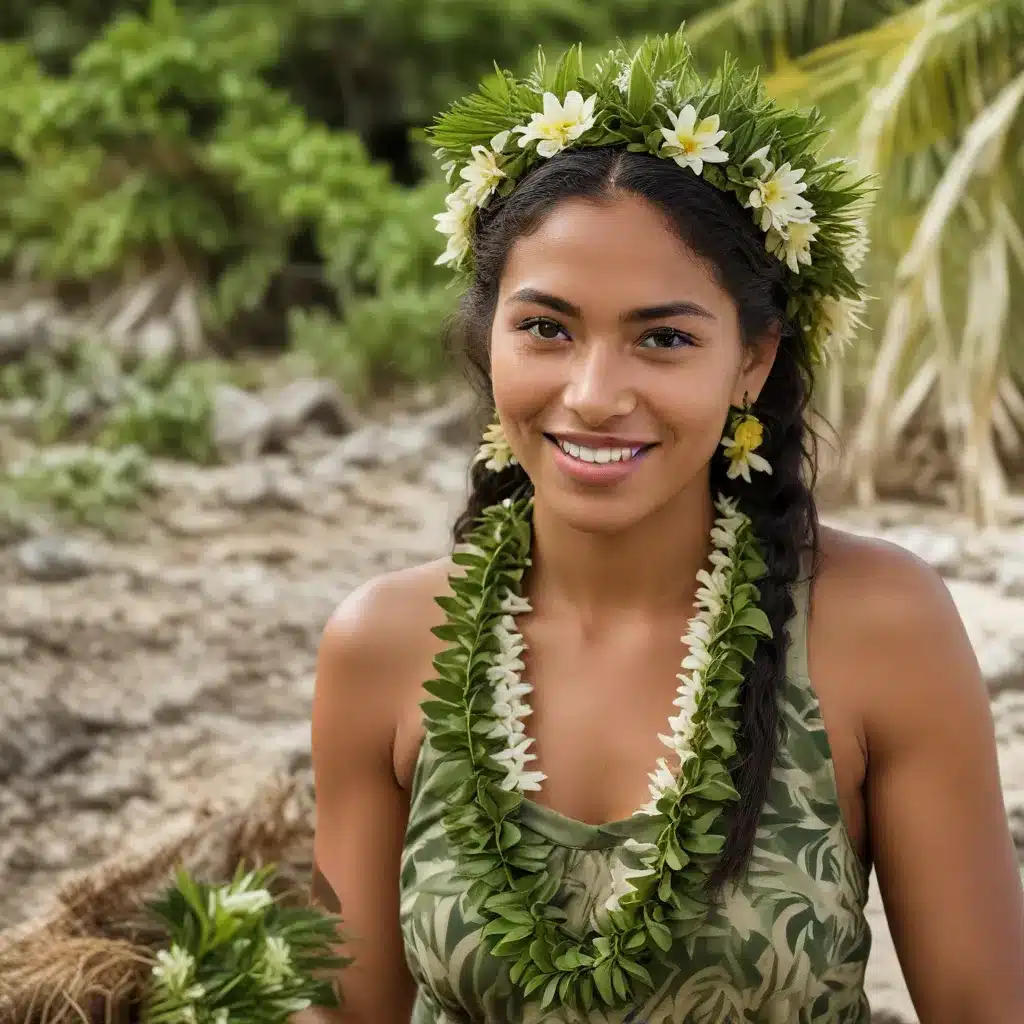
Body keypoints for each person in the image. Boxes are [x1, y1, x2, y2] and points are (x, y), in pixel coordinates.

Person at [307, 31, 1024, 1024]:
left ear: (751, 362)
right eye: (546, 328)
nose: (595, 394)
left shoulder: (877, 629)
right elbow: (342, 1013)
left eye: (664, 337)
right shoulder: (383, 645)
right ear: (487, 336)